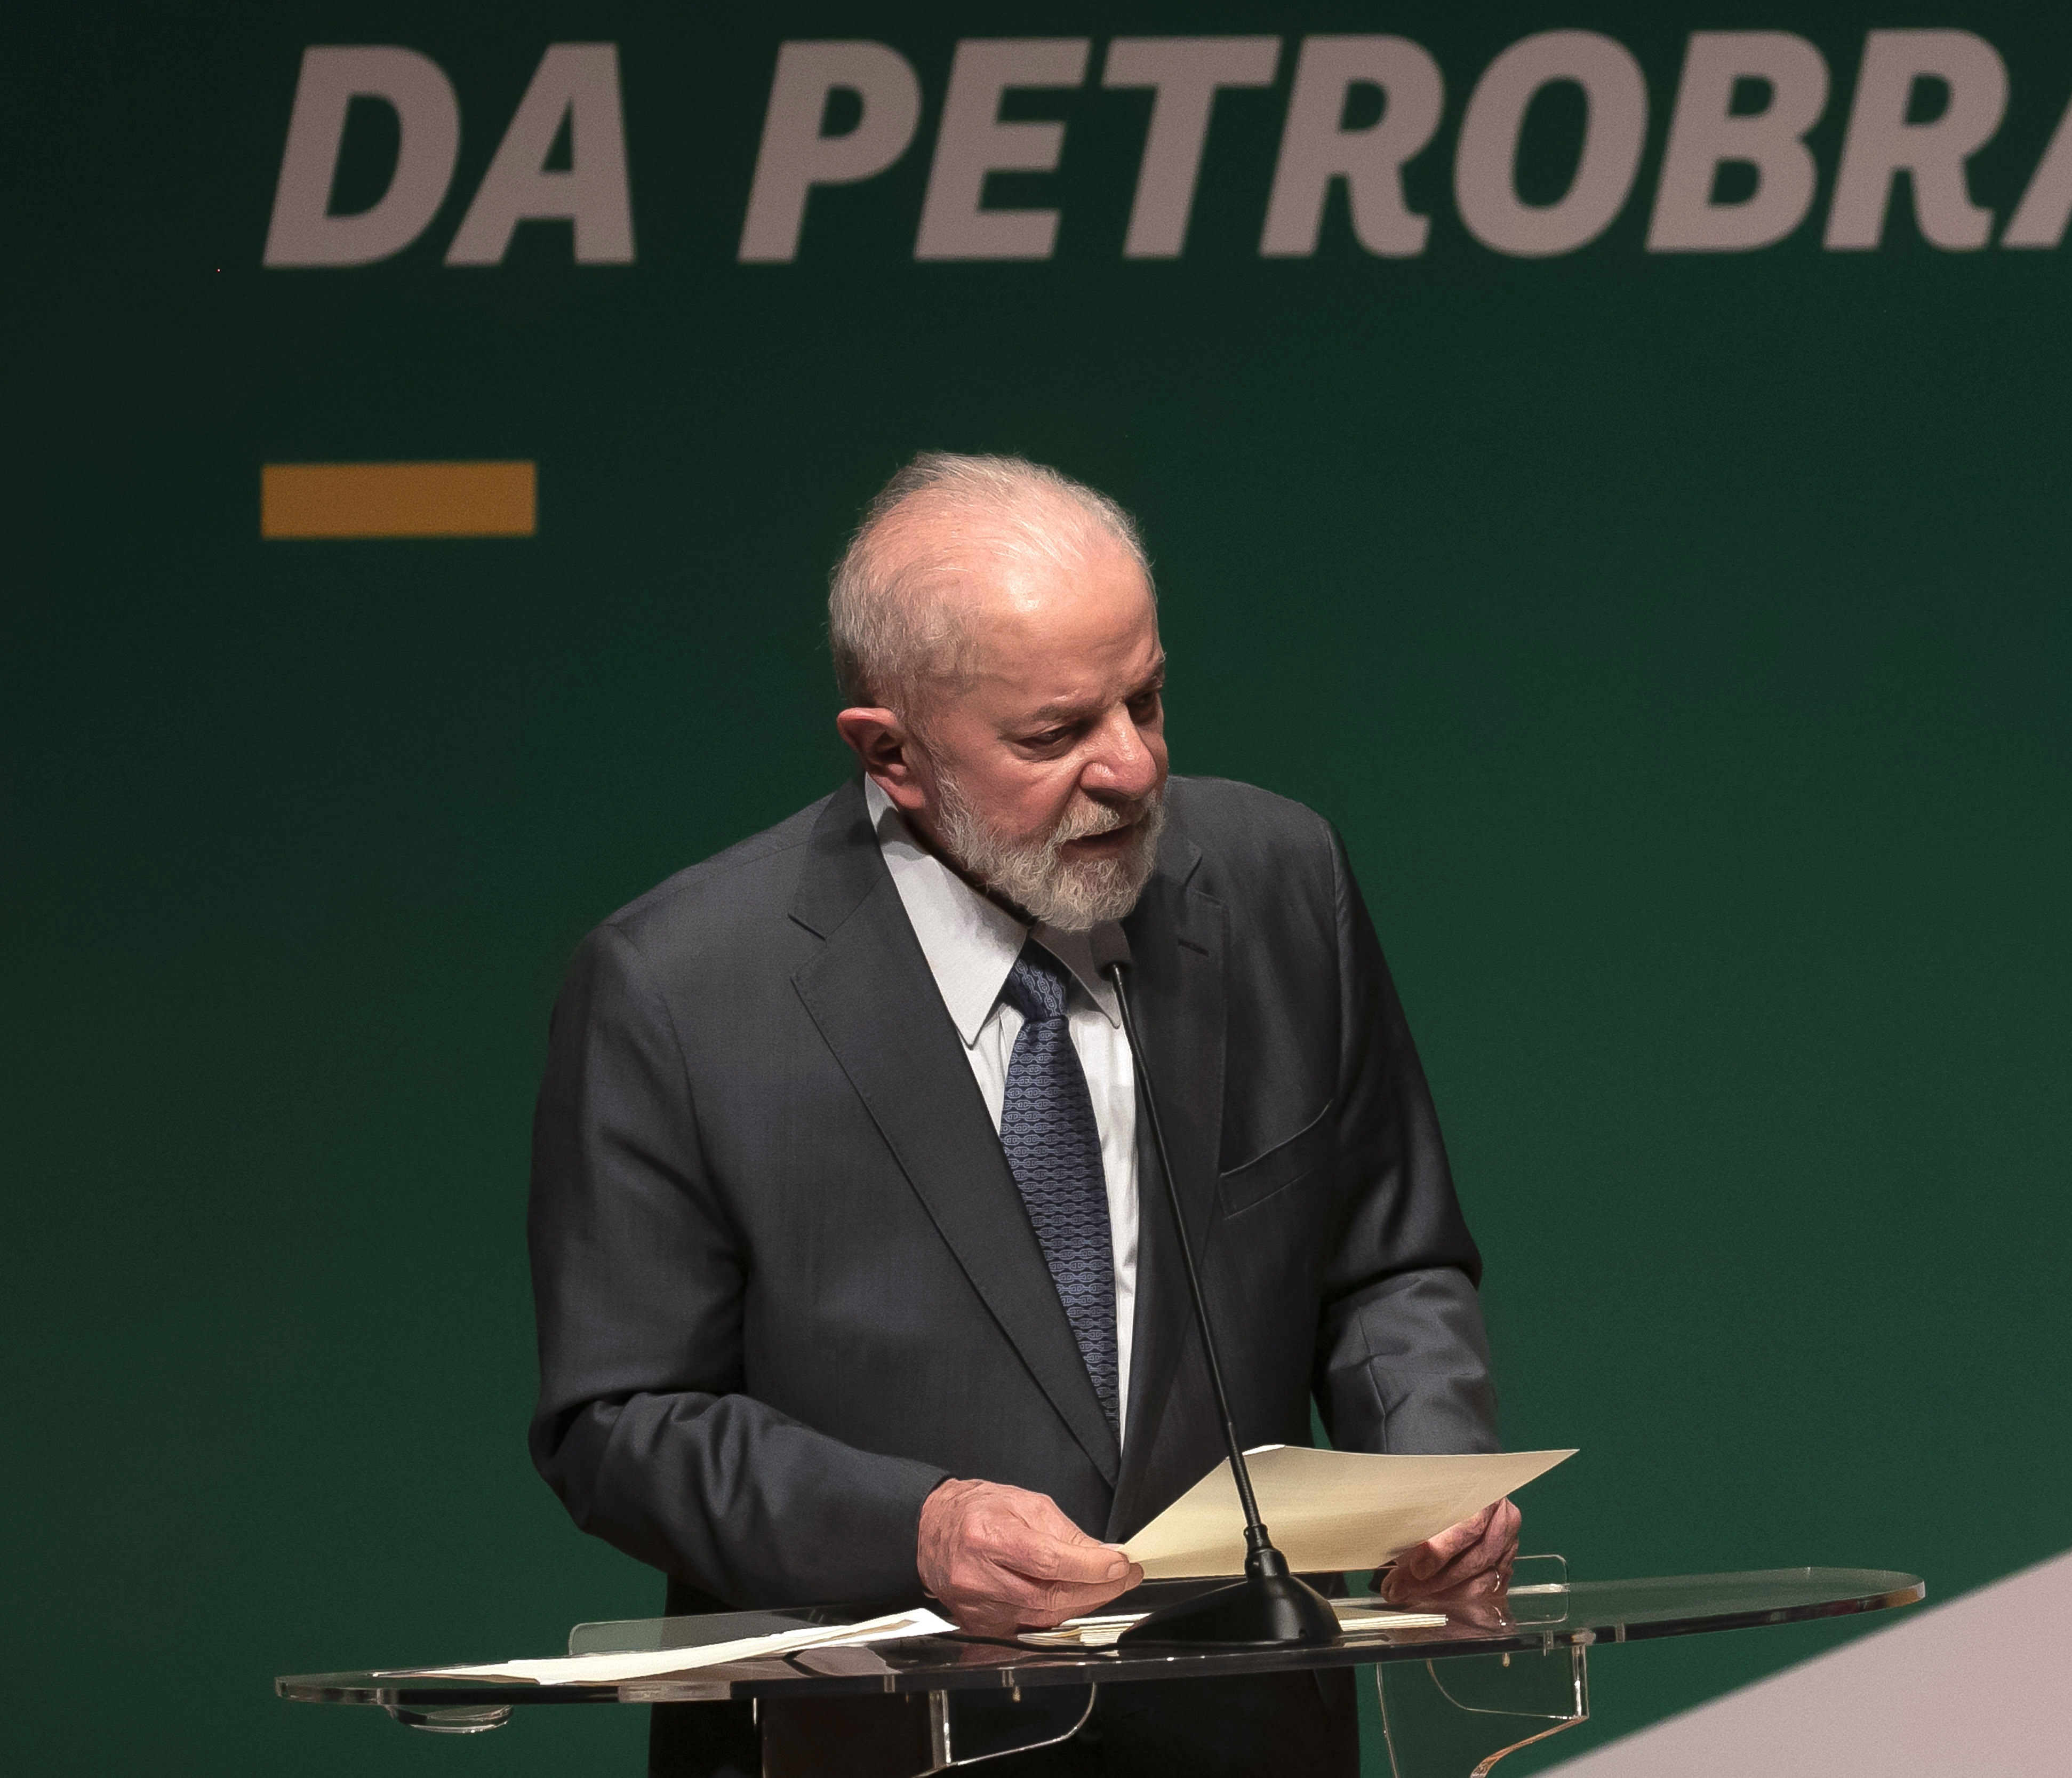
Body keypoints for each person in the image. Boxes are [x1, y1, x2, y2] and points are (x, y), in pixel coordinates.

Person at [529, 453, 1517, 1776]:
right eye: (1055, 735)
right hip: (870, 1738)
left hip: (1239, 1733)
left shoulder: (1279, 881)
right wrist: (916, 1525)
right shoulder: (680, 987)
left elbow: (1387, 1264)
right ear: (892, 753)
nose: (1131, 767)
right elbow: (622, 1420)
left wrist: (1431, 1481)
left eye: (1148, 698)